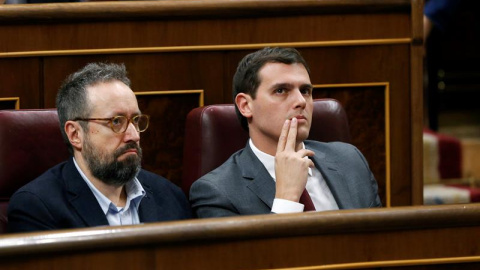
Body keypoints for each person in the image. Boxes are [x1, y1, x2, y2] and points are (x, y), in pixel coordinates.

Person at [190, 47, 381, 218]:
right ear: (246, 106)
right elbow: (250, 259)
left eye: (305, 90)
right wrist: (287, 198)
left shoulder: (350, 161)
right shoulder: (217, 192)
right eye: (281, 90)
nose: (301, 101)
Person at [8, 63, 192, 233]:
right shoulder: (37, 208)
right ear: (75, 135)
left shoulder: (170, 197)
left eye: (135, 120)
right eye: (116, 122)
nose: (134, 135)